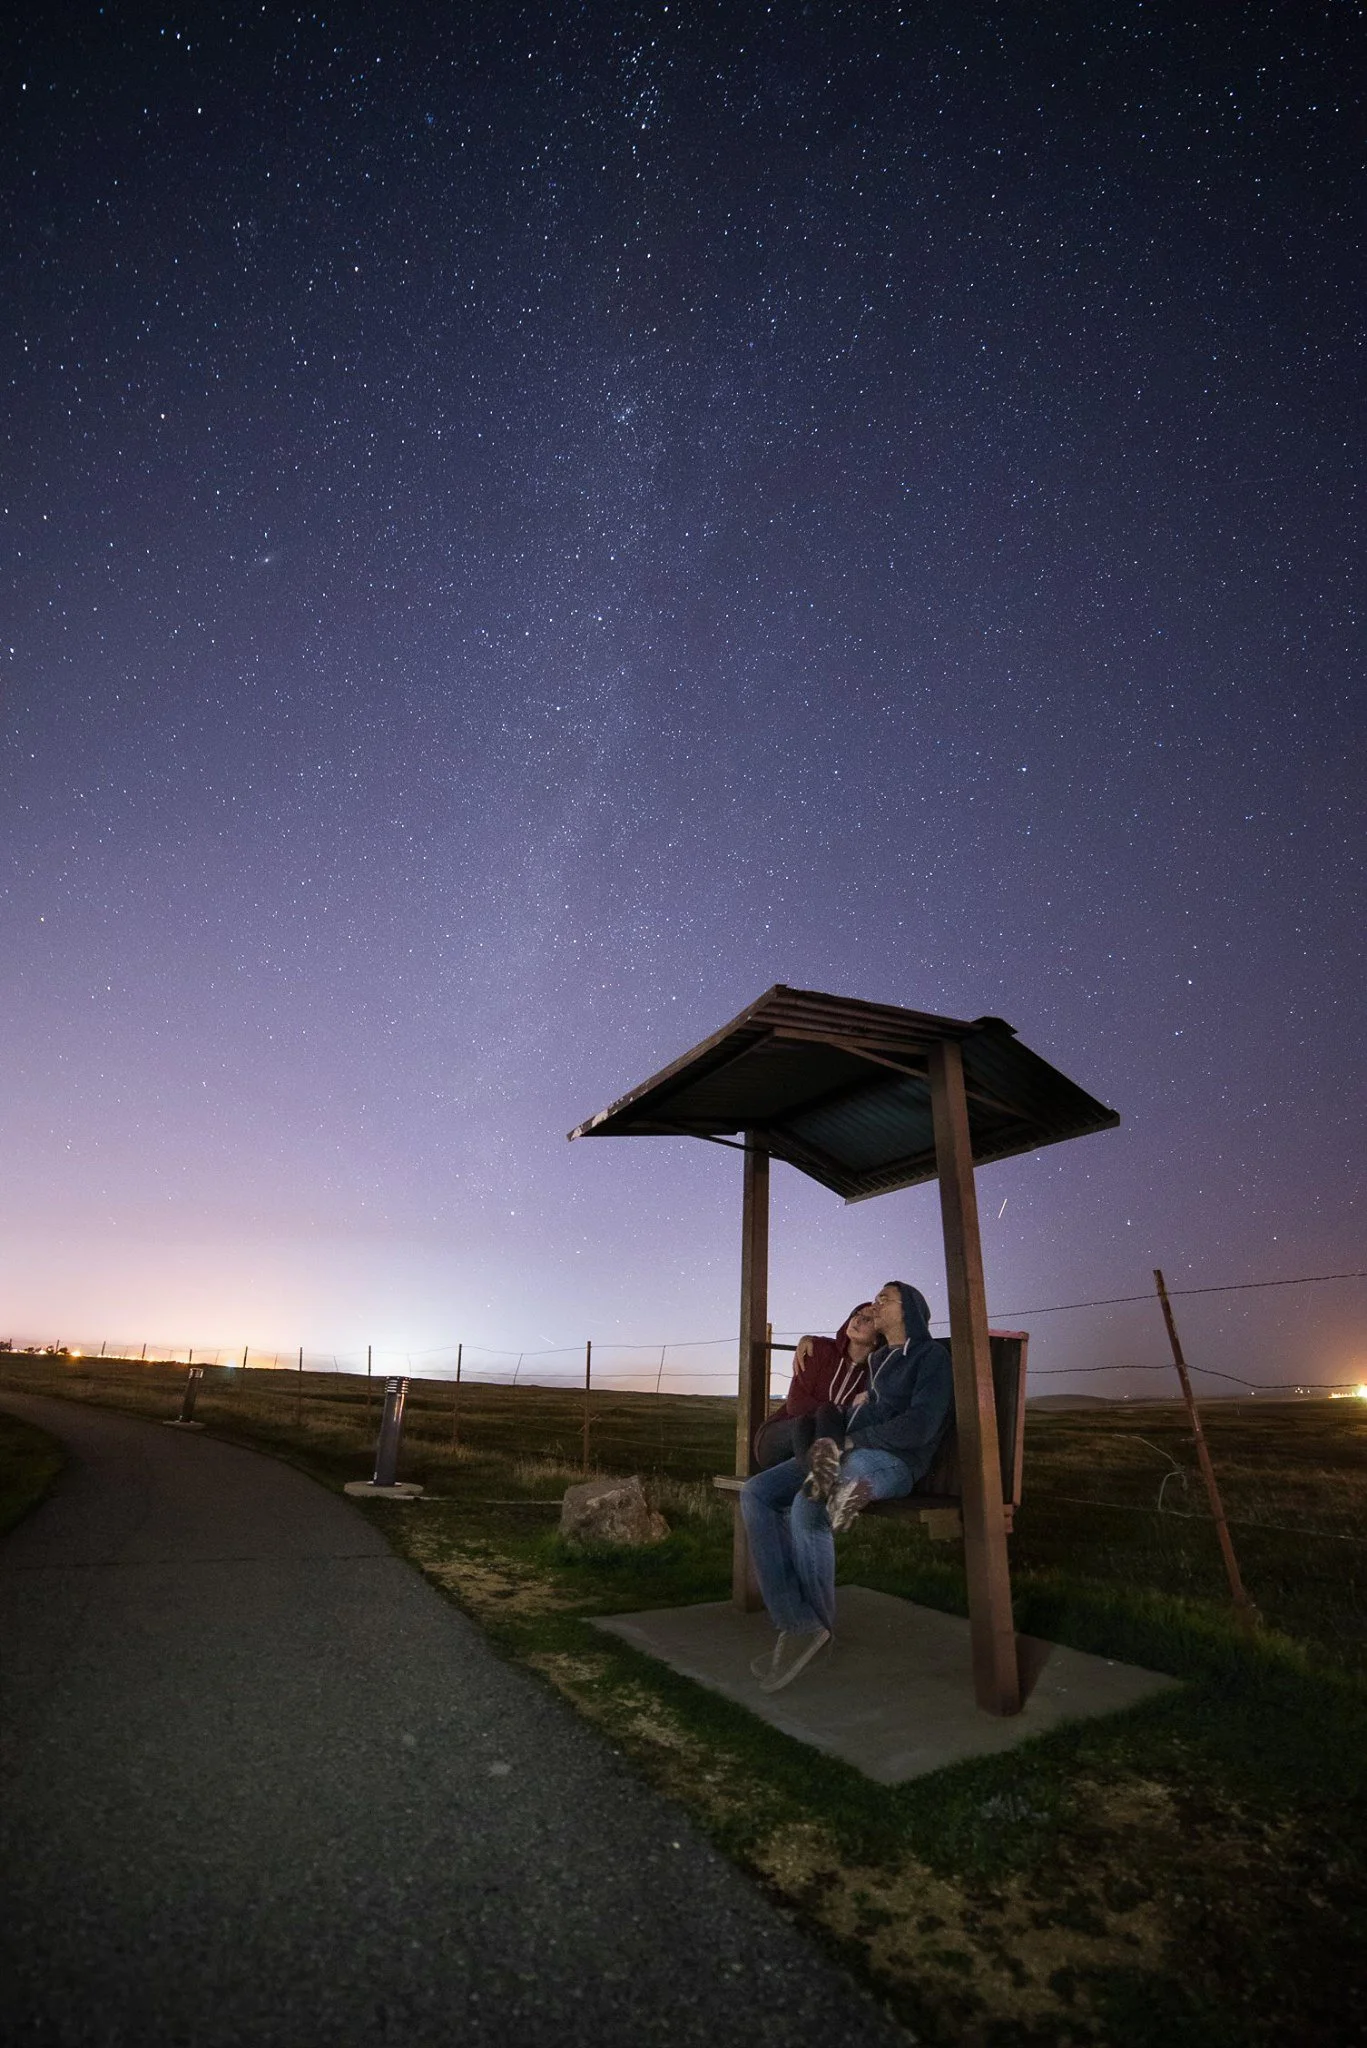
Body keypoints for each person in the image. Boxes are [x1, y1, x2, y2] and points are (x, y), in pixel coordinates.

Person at [739, 1280, 953, 1693]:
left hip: (895, 1461)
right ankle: (798, 1622)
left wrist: (852, 1439)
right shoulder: (878, 1363)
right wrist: (857, 1414)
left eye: (883, 1300)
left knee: (808, 1507)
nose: (874, 1305)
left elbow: (921, 1425)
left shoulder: (930, 1357)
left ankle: (810, 1631)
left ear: (907, 1308)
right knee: (757, 1493)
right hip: (844, 1454)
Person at [752, 1302, 880, 1470]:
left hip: (814, 1450)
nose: (857, 1320)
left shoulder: (873, 1375)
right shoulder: (818, 1349)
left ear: (878, 1338)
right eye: (856, 1314)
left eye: (867, 1319)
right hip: (780, 1435)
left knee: (823, 1439)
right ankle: (823, 1477)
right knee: (807, 1425)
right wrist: (843, 1409)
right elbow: (796, 1405)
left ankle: (818, 1481)